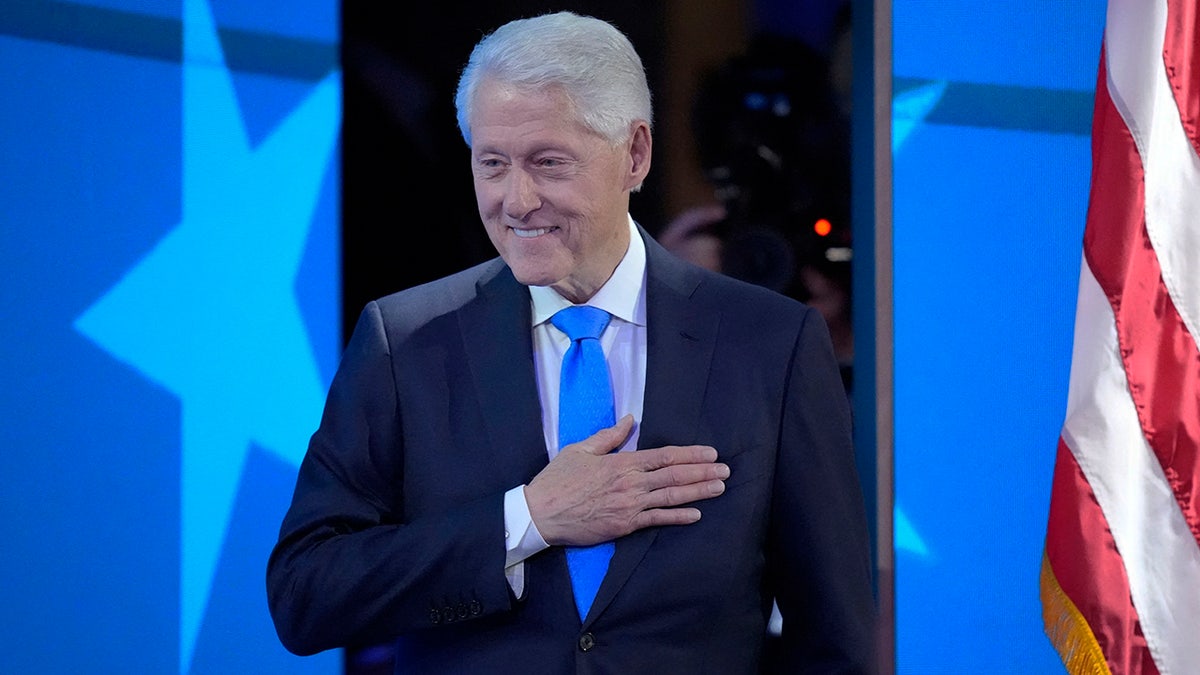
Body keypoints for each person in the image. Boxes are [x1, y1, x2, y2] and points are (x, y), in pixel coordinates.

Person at [267, 11, 876, 673]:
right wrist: (527, 517)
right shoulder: (406, 340)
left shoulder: (771, 344)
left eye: (548, 162)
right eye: (492, 164)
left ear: (635, 154)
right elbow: (305, 592)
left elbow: (833, 642)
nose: (516, 200)